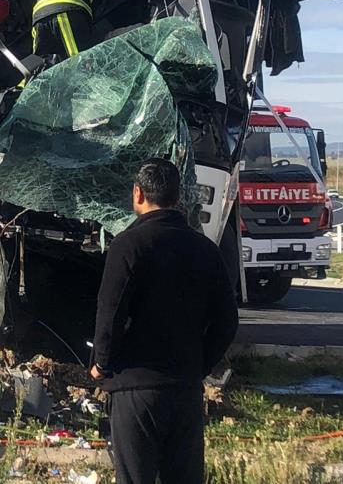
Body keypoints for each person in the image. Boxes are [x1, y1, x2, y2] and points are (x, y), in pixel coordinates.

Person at [91, 159, 238, 484]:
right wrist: (197, 365)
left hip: (136, 390)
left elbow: (110, 314)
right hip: (184, 389)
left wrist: (102, 363)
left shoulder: (128, 246)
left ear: (137, 194)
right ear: (177, 197)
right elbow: (227, 321)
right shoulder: (205, 250)